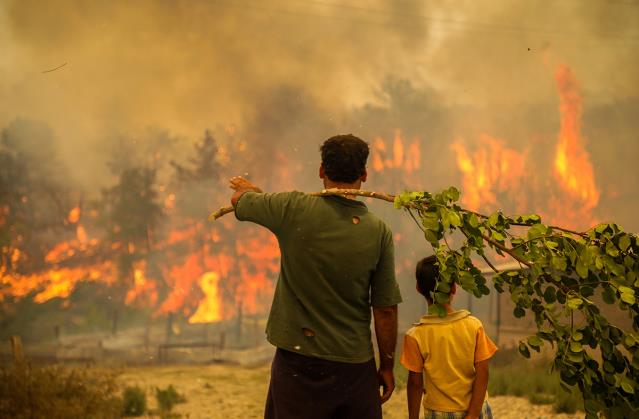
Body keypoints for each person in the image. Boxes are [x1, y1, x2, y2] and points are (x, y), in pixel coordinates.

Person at [229, 134, 402, 419]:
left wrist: (250, 191)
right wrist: (386, 366)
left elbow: (240, 201)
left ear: (321, 171)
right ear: (364, 175)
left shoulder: (292, 209)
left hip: (298, 363)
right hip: (353, 367)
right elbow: (385, 310)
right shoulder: (378, 232)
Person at [401, 255, 498, 419]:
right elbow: (483, 372)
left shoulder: (415, 336)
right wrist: (473, 414)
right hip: (476, 410)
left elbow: (415, 384)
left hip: (438, 413)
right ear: (454, 287)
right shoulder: (474, 326)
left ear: (418, 288)